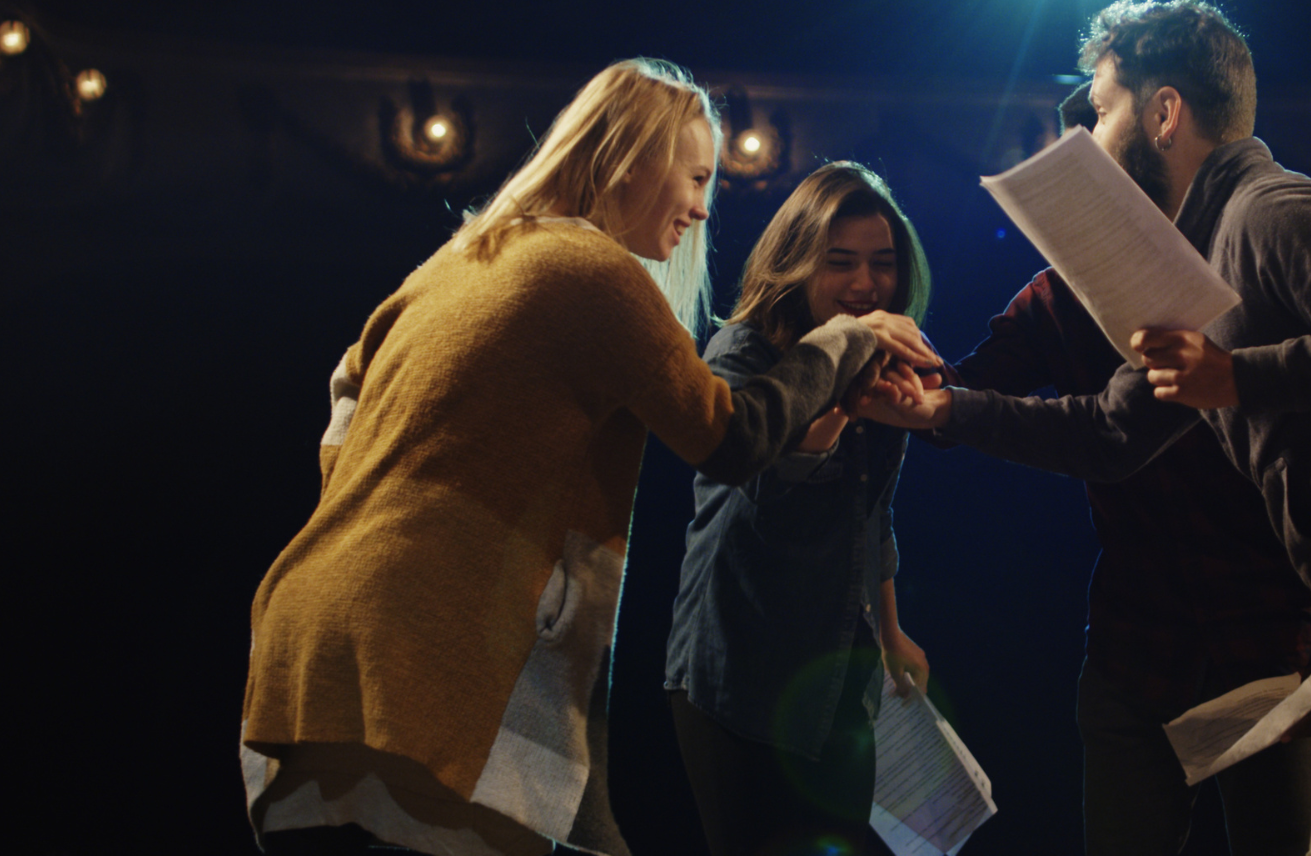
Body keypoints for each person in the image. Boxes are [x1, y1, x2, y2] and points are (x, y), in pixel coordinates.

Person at [863, 0, 1311, 856]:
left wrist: (1233, 376)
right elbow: (1113, 436)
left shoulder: (1271, 209)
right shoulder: (1199, 266)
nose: (1089, 138)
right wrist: (941, 407)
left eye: (1101, 109)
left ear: (1164, 113)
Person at [240, 59, 936, 856]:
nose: (705, 207)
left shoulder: (461, 257)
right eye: (697, 177)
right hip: (419, 651)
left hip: (313, 631)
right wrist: (846, 340)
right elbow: (731, 437)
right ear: (637, 159)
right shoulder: (590, 266)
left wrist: (378, 519)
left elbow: (347, 388)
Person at [945, 81, 1311, 856]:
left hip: (1271, 646)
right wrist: (873, 359)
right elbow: (962, 398)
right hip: (1137, 655)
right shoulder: (1051, 300)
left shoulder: (1244, 268)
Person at [665, 162, 935, 856]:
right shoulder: (741, 351)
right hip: (738, 669)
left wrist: (891, 633)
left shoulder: (880, 356)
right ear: (796, 263)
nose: (864, 285)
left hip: (834, 669)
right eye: (839, 263)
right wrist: (839, 410)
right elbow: (760, 493)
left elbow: (872, 514)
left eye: (881, 265)